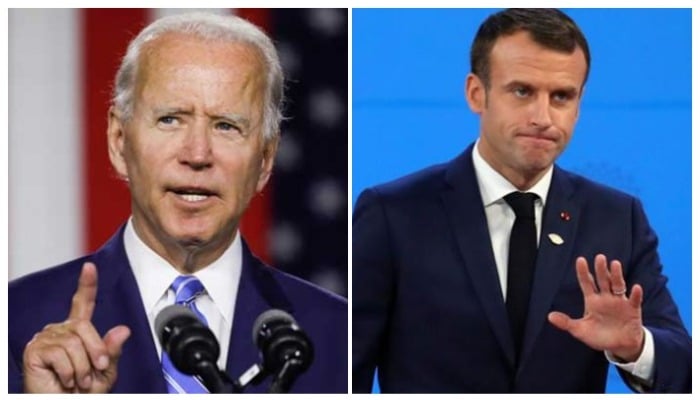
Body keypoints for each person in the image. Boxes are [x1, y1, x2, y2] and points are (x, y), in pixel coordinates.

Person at [352, 8, 690, 393]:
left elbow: (685, 373)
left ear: (579, 105)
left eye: (561, 96)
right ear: (477, 94)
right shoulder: (394, 214)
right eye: (522, 91)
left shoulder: (617, 218)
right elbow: (347, 372)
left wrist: (635, 347)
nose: (542, 116)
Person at [9, 12, 347, 394]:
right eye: (171, 119)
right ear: (119, 141)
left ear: (265, 161)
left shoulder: (339, 335)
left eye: (226, 125)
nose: (198, 153)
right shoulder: (15, 323)